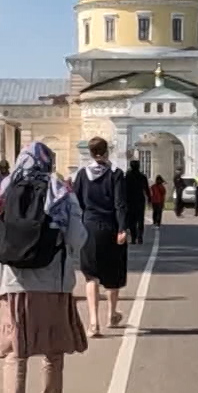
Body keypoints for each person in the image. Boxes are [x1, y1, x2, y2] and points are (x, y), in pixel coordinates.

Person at [0, 142, 87, 393]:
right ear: (48, 162)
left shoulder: (4, 191)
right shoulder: (62, 192)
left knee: (16, 353)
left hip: (13, 284)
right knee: (53, 351)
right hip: (54, 283)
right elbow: (78, 238)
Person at [71, 137, 130, 336]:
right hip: (110, 228)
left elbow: (75, 203)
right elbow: (120, 204)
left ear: (90, 152)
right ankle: (112, 314)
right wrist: (123, 228)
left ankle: (93, 323)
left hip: (88, 228)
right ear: (107, 152)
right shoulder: (116, 174)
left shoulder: (82, 175)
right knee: (113, 274)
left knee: (91, 276)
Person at [123, 159, 150, 244]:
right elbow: (146, 189)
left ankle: (134, 237)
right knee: (140, 219)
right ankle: (139, 236)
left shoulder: (128, 176)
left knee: (132, 220)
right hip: (139, 200)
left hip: (130, 200)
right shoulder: (142, 176)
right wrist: (149, 198)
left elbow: (123, 189)